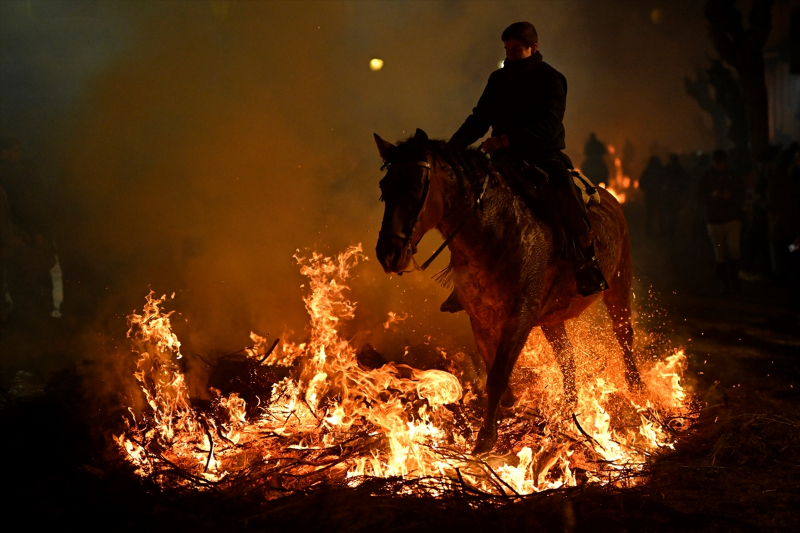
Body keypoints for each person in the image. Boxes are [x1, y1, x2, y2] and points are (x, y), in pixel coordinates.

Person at [445, 21, 607, 313]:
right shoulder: (498, 80)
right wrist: (452, 149)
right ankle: (464, 279)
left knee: (566, 196)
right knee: (470, 204)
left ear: (533, 48)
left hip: (542, 156)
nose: (509, 54)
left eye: (516, 49)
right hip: (503, 160)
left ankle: (586, 263)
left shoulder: (552, 80)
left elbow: (549, 125)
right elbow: (479, 119)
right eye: (506, 48)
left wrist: (505, 140)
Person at [697, 149, 745, 294]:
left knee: (734, 250)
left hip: (731, 218)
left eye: (722, 162)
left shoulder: (733, 176)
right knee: (720, 253)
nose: (720, 165)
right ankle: (725, 284)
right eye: (718, 162)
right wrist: (712, 196)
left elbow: (741, 193)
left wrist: (731, 196)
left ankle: (734, 281)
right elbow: (700, 197)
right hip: (715, 220)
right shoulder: (707, 176)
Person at [639, 156, 665, 236]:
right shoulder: (661, 172)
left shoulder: (648, 172)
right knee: (659, 214)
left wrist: (648, 188)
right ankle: (661, 231)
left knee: (650, 214)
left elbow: (641, 184)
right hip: (658, 196)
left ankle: (649, 230)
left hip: (651, 196)